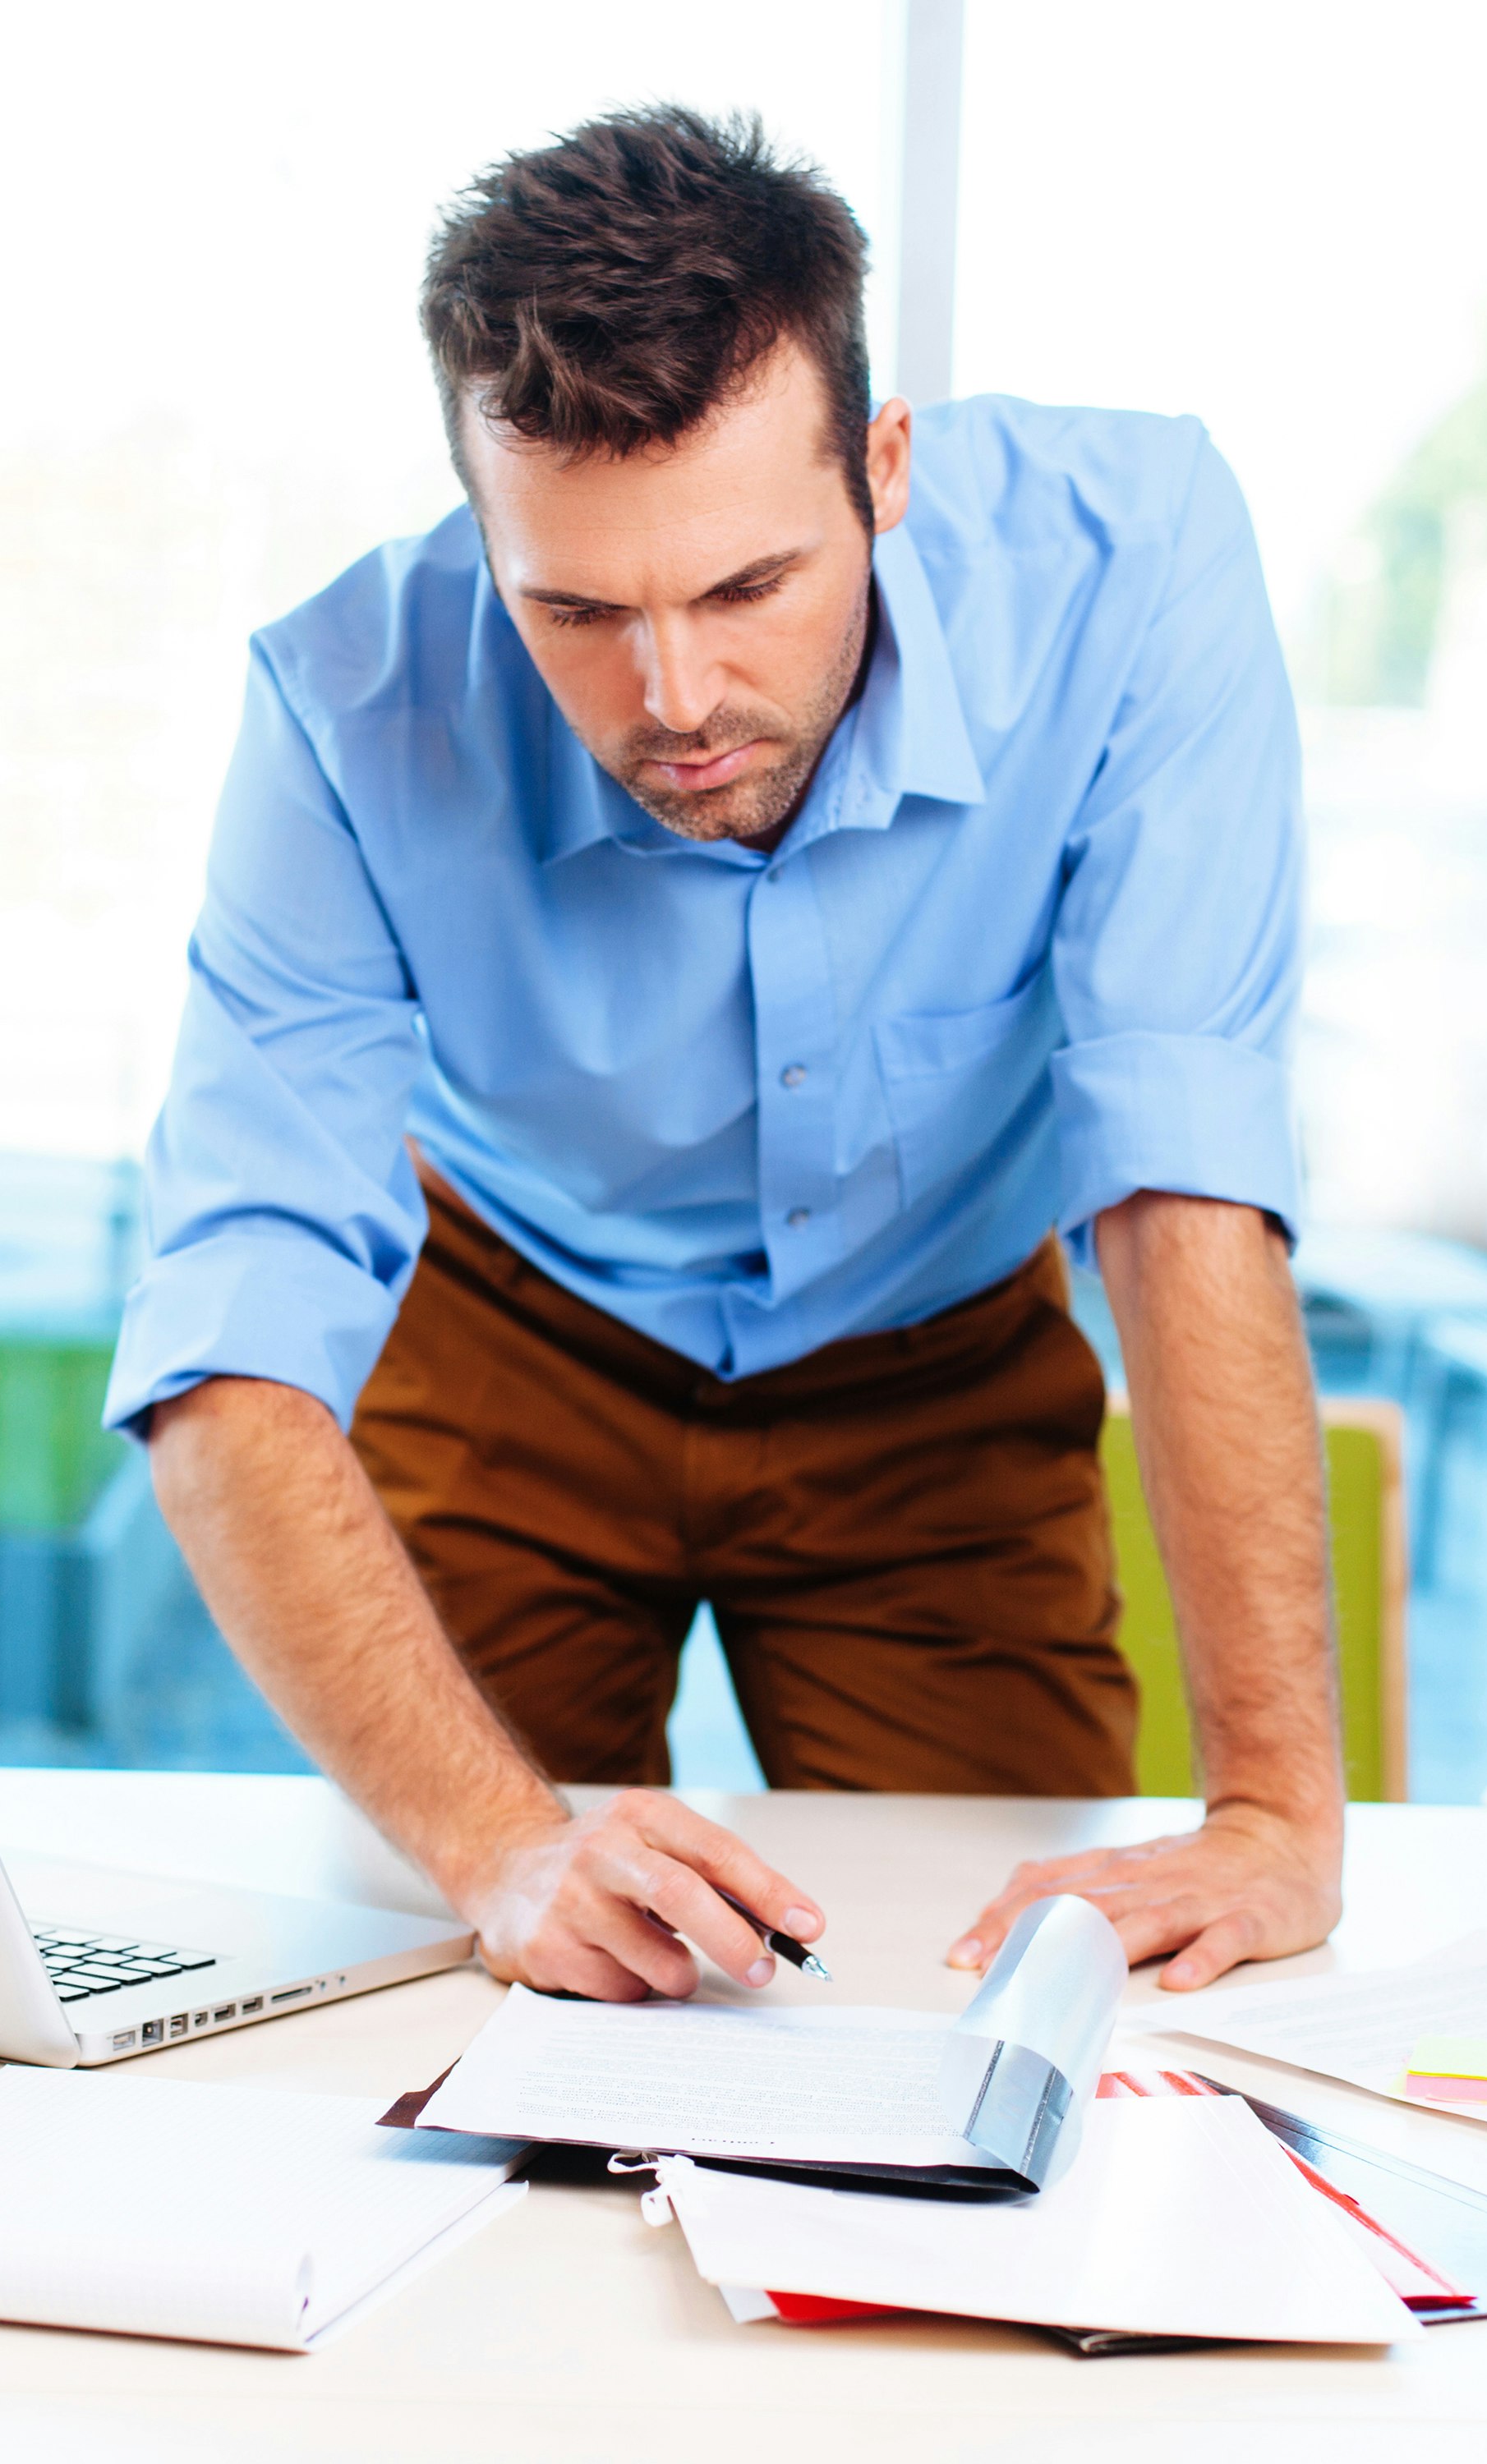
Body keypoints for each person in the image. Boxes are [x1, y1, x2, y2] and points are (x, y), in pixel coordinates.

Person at [105, 106, 1341, 2004]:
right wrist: (503, 1851)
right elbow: (226, 1353)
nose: (673, 701)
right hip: (513, 1328)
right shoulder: (345, 703)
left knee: (1013, 2000)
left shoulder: (1129, 558)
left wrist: (1272, 1815)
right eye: (578, 611)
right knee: (467, 1987)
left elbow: (1178, 1163)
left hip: (931, 1359)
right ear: (478, 519)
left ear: (884, 468)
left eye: (747, 589)